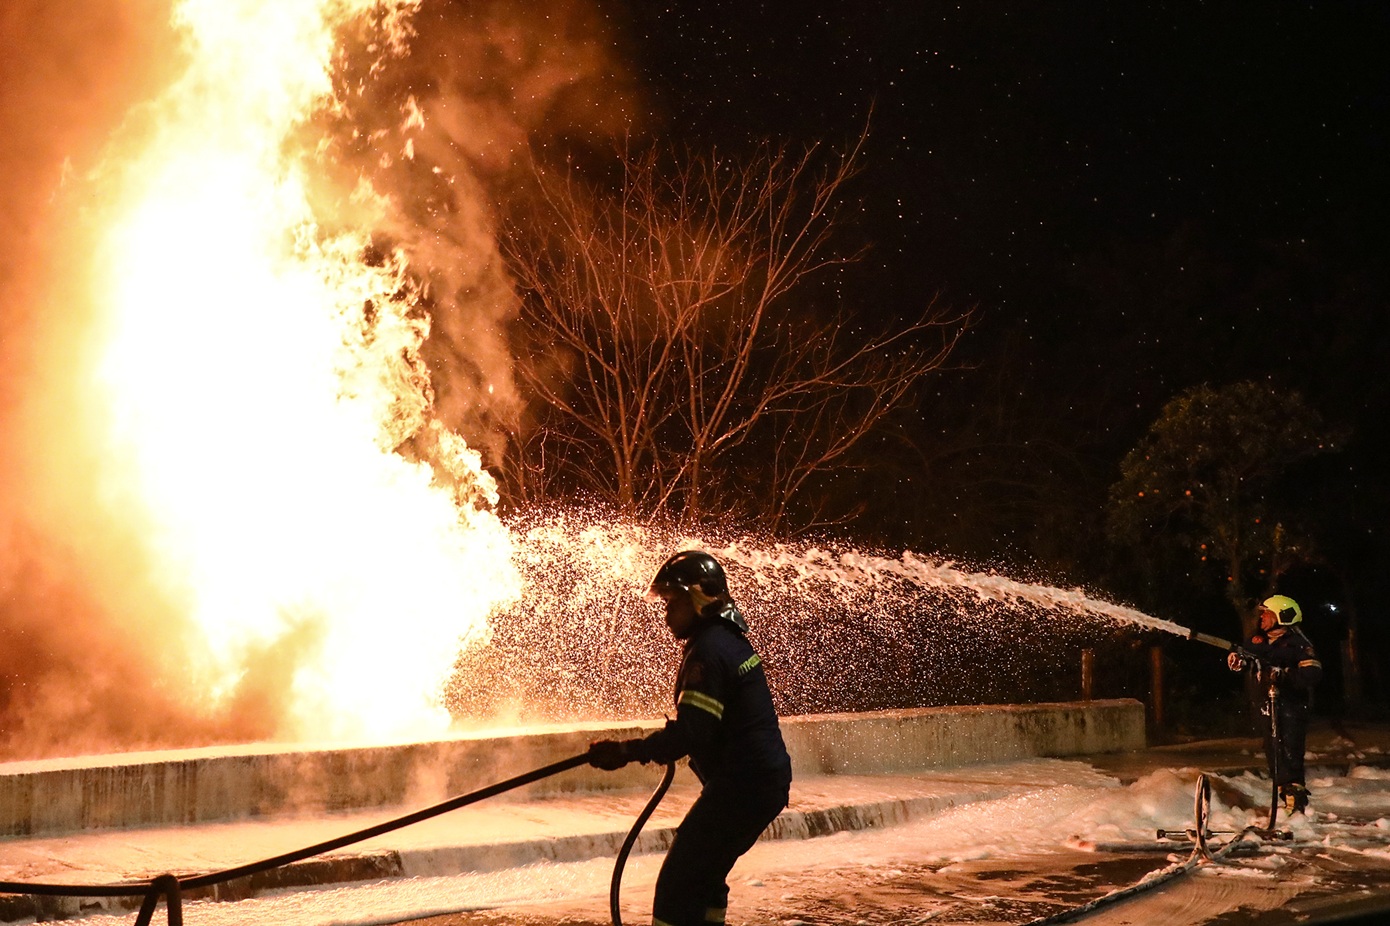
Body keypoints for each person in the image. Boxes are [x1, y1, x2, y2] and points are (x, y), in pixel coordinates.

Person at [588, 550, 793, 926]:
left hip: (743, 787)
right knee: (706, 877)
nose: (666, 613)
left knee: (677, 886)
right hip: (760, 783)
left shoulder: (709, 652)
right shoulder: (727, 639)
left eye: (672, 601)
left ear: (699, 597)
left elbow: (692, 733)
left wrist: (626, 751)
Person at [1226, 594, 1323, 814]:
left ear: (1282, 616)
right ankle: (1284, 795)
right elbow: (1246, 658)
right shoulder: (1256, 640)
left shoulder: (1299, 644)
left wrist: (1284, 675)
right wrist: (1237, 661)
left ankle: (1295, 801)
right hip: (1265, 705)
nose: (1262, 619)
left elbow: (1312, 674)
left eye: (1266, 614)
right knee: (1274, 752)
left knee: (1290, 752)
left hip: (1291, 707)